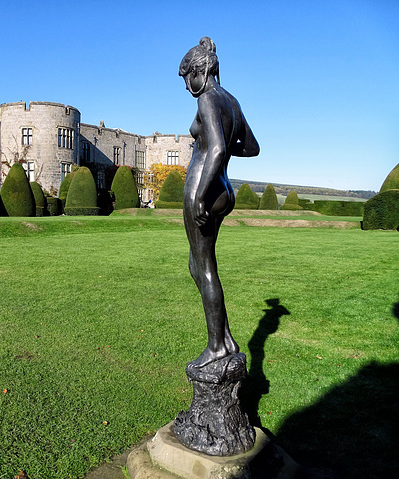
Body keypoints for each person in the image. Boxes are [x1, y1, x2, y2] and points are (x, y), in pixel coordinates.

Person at [179, 37, 259, 368]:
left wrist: (199, 194)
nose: (187, 86)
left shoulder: (209, 100)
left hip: (205, 187)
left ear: (202, 71)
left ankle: (216, 348)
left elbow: (217, 150)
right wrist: (222, 143)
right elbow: (251, 147)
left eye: (188, 78)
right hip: (223, 188)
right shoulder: (232, 101)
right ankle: (224, 337)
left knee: (205, 266)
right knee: (196, 264)